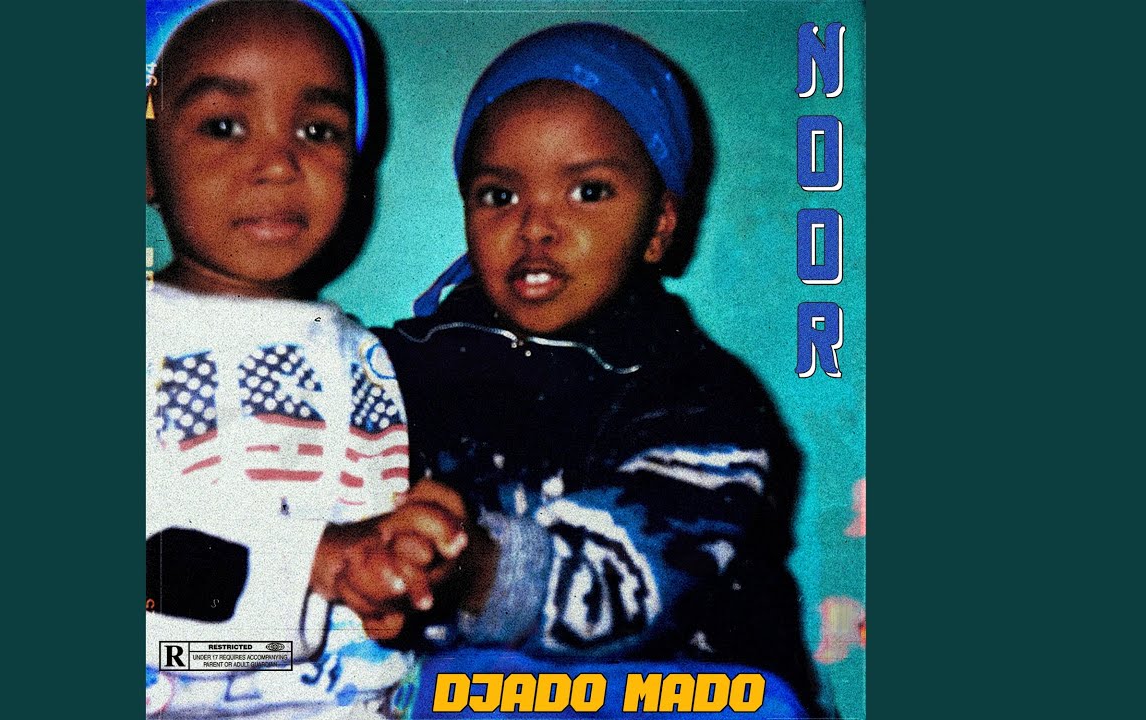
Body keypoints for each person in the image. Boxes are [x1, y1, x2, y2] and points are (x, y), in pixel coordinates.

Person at [374, 23, 829, 717]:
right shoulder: (392, 369)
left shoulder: (701, 396)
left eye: (588, 191)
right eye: (499, 195)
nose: (535, 226)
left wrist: (472, 569)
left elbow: (636, 585)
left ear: (660, 225)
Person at [142, 1, 463, 716]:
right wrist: (308, 564)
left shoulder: (367, 358)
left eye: (317, 130)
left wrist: (408, 575)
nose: (280, 161)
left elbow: (373, 584)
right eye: (224, 126)